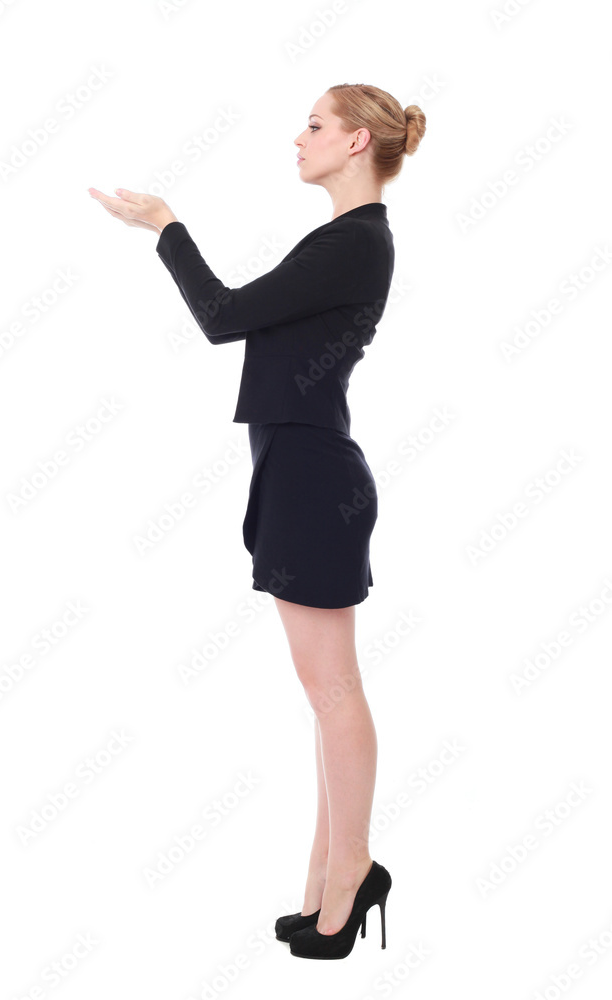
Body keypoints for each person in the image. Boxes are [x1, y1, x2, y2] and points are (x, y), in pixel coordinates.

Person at [89, 82, 426, 961]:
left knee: (333, 692)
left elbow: (223, 317)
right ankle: (324, 883)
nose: (298, 136)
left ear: (356, 144)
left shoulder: (355, 243)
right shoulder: (340, 241)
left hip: (314, 479)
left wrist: (167, 225)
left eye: (315, 124)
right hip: (295, 470)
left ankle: (349, 876)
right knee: (323, 696)